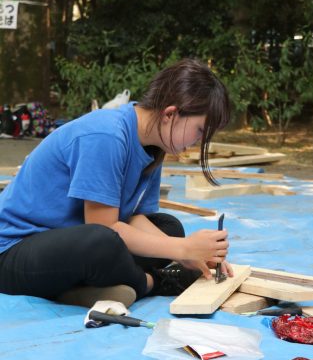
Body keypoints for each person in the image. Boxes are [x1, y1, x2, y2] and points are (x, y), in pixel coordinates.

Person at [0, 58, 232, 308]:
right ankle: (151, 283)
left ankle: (79, 289)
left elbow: (132, 218)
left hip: (71, 243)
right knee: (103, 242)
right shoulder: (107, 135)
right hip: (14, 251)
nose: (198, 142)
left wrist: (186, 253)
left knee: (170, 228)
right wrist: (183, 249)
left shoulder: (154, 145)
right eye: (200, 131)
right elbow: (105, 227)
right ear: (170, 114)